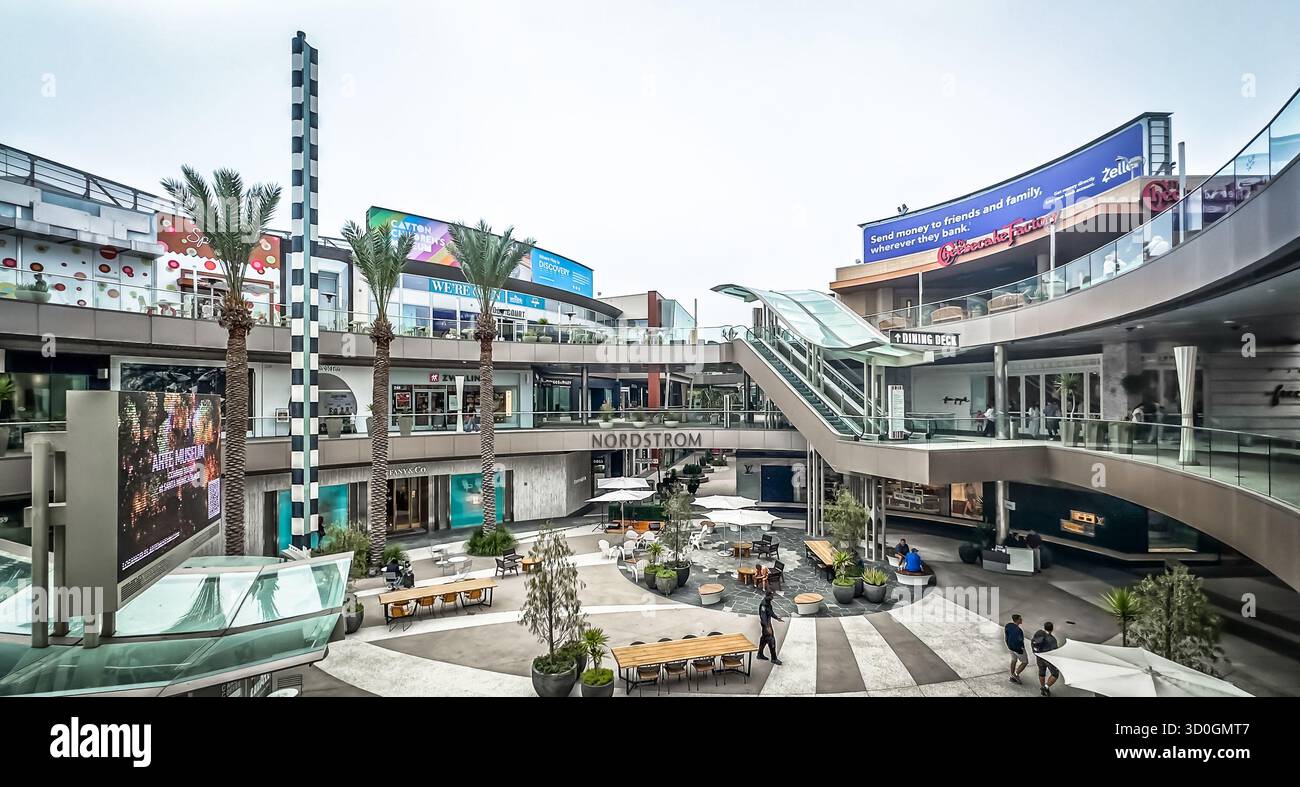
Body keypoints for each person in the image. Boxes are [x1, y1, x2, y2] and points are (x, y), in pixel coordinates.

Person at [1032, 621, 1061, 696]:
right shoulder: (1052, 639)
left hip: (1039, 656)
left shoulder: (1039, 633)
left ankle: (1043, 687)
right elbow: (1055, 651)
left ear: (1044, 627)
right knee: (1055, 674)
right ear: (1052, 629)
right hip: (1047, 659)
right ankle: (1045, 687)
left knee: (1042, 672)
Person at [757, 590, 783, 665]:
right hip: (766, 624)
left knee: (764, 639)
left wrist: (776, 618)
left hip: (768, 623)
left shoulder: (768, 603)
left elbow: (770, 612)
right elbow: (763, 616)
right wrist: (767, 627)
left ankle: (760, 654)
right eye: (771, 596)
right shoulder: (764, 605)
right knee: (771, 639)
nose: (772, 598)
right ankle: (774, 658)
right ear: (767, 596)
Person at [1005, 614, 1028, 684]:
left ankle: (1012, 675)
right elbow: (1020, 641)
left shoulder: (1008, 625)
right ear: (1017, 620)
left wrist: (1008, 644)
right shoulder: (1019, 631)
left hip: (1010, 647)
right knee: (1025, 662)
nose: (1021, 620)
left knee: (1014, 660)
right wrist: (1021, 649)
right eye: (1020, 619)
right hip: (1018, 649)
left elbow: (1006, 636)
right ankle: (1015, 675)